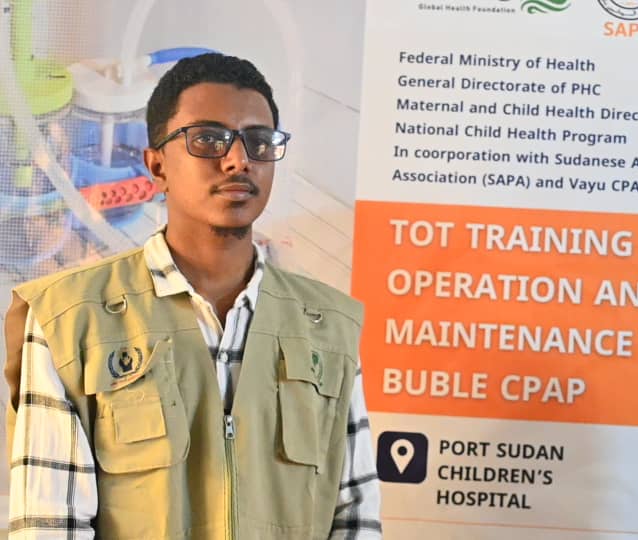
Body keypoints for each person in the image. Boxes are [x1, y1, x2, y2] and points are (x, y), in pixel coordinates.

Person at [4, 53, 382, 539]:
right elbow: (49, 525)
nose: (238, 159)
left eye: (259, 142)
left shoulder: (327, 326)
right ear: (156, 165)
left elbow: (355, 517)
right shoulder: (69, 318)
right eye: (207, 139)